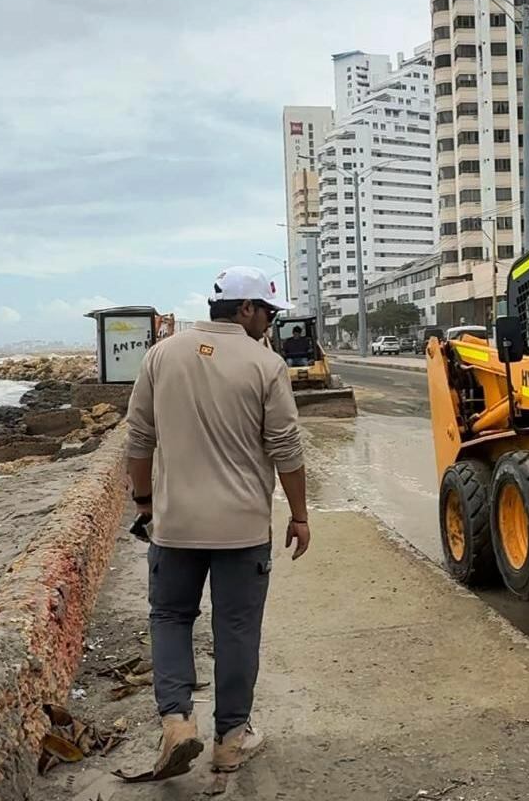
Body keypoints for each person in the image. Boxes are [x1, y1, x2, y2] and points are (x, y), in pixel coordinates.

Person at [126, 266, 310, 779]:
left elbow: (139, 439)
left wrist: (144, 503)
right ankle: (230, 740)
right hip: (243, 530)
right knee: (236, 630)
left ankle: (177, 722)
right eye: (268, 312)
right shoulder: (266, 364)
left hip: (175, 526)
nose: (270, 323)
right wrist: (299, 514)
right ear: (245, 309)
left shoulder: (160, 356)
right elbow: (287, 449)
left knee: (169, 618)